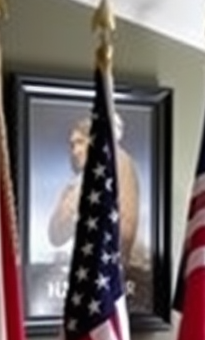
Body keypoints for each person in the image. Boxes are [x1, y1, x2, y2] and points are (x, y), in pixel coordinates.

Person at [47, 112, 141, 263]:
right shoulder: (73, 186)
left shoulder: (118, 161)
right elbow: (55, 236)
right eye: (72, 145)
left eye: (80, 142)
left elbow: (126, 232)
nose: (75, 151)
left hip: (117, 272)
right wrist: (72, 202)